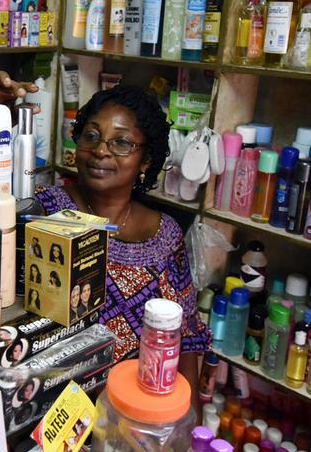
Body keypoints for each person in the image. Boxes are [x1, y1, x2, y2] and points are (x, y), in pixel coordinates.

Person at [33, 84, 209, 388]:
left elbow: (185, 340)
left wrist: (189, 414)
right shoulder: (44, 208)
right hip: (49, 397)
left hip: (132, 401)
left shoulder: (165, 237)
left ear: (145, 161)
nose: (101, 150)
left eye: (122, 142)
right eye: (91, 136)